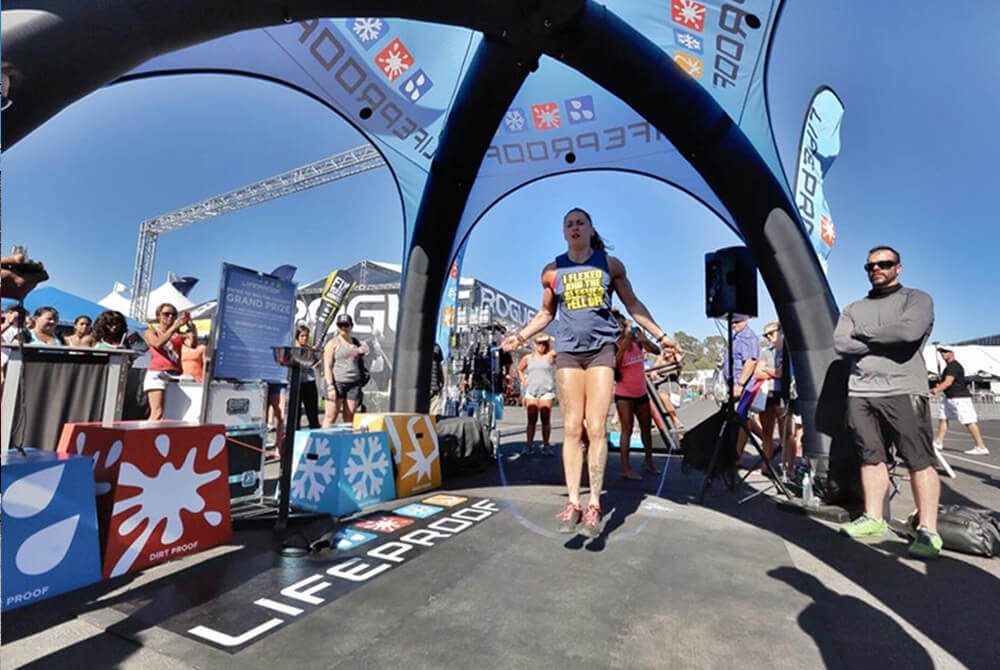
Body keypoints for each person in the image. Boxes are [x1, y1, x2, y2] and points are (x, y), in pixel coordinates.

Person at [501, 207, 676, 537]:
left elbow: (633, 304)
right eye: (569, 223)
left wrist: (662, 336)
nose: (575, 227)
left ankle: (594, 502)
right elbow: (544, 313)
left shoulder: (609, 265)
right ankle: (573, 502)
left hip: (601, 352)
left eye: (581, 222)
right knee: (570, 427)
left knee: (596, 427)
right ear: (564, 233)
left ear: (591, 229)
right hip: (567, 353)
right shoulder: (552, 271)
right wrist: (520, 336)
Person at [834, 245, 942, 559]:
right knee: (870, 457)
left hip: (903, 389)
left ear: (899, 266)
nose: (877, 269)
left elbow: (908, 333)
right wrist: (884, 336)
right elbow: (841, 342)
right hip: (861, 392)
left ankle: (928, 530)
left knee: (919, 460)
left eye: (884, 264)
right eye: (870, 266)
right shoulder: (853, 307)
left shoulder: (917, 299)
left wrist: (864, 336)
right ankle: (873, 519)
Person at [612, 309, 661, 480]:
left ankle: (649, 461)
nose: (625, 330)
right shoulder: (615, 345)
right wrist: (622, 349)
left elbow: (657, 351)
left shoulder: (637, 342)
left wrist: (645, 340)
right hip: (624, 394)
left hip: (641, 392)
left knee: (646, 428)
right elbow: (613, 368)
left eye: (625, 326)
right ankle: (625, 468)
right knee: (627, 429)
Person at [932, 347, 989, 455]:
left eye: (945, 351)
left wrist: (936, 390)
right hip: (949, 397)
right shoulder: (948, 367)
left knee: (969, 421)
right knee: (943, 418)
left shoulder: (954, 366)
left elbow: (948, 382)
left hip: (960, 398)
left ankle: (981, 446)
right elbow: (946, 383)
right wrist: (939, 388)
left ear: (952, 353)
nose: (942, 354)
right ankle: (938, 442)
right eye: (941, 352)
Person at [514, 333, 558, 458]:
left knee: (545, 419)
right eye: (539, 343)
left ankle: (546, 445)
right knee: (531, 419)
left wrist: (551, 339)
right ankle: (528, 445)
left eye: (544, 343)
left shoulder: (550, 356)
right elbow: (520, 369)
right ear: (535, 344)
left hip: (546, 392)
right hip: (531, 391)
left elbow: (560, 349)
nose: (542, 346)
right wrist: (523, 380)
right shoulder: (528, 357)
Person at [723, 313, 761, 456]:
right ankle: (768, 441)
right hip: (735, 385)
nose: (734, 325)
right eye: (732, 322)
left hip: (744, 386)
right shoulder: (736, 337)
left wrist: (740, 384)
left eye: (737, 322)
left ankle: (737, 455)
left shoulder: (748, 337)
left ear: (746, 320)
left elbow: (750, 362)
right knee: (742, 418)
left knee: (741, 419)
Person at [143, 302, 188, 420]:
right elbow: (157, 343)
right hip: (157, 373)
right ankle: (146, 437)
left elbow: (193, 345)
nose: (170, 317)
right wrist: (174, 328)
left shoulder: (178, 334)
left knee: (171, 414)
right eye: (166, 314)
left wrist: (191, 328)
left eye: (174, 315)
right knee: (157, 412)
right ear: (158, 316)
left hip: (175, 374)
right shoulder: (151, 332)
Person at [323, 313, 369, 425]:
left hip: (354, 384)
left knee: (349, 418)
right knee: (330, 417)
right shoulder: (332, 343)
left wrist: (363, 350)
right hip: (337, 383)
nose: (343, 328)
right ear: (337, 327)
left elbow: (366, 351)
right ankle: (324, 440)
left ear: (351, 326)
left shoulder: (356, 342)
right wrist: (330, 387)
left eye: (346, 325)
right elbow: (327, 367)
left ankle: (346, 441)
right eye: (340, 325)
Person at [754, 321, 786, 474]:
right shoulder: (765, 352)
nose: (769, 337)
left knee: (785, 432)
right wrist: (771, 370)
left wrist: (766, 369)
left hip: (782, 394)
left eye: (771, 333)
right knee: (767, 432)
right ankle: (766, 465)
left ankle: (787, 467)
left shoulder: (787, 351)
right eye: (766, 335)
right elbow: (757, 373)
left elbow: (781, 373)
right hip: (767, 394)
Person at [294, 325, 321, 429]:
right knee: (296, 412)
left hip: (309, 382)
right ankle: (295, 434)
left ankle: (314, 431)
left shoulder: (310, 350)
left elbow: (315, 364)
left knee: (312, 411)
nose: (305, 338)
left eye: (306, 336)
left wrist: (317, 361)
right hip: (297, 383)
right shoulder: (293, 350)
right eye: (302, 336)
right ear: (297, 337)